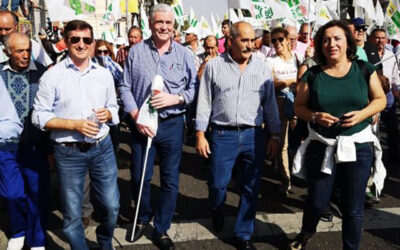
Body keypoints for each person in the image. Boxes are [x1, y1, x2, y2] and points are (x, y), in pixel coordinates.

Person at [289, 20, 386, 249]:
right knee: (316, 201)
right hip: (322, 146)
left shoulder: (363, 68)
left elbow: (380, 99)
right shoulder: (312, 74)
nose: (331, 43)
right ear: (320, 44)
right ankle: (306, 232)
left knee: (353, 207)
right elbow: (299, 107)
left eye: (337, 38)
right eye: (325, 39)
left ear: (347, 42)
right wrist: (314, 117)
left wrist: (362, 114)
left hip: (359, 146)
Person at [32, 20, 120, 250]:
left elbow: (115, 106)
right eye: (75, 39)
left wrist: (109, 112)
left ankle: (104, 242)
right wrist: (74, 125)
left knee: (112, 206)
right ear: (66, 41)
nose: (81, 44)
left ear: (92, 42)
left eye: (86, 40)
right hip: (68, 151)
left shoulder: (103, 74)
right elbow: (39, 117)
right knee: (72, 214)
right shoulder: (52, 76)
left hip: (102, 147)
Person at [196, 21, 280, 250]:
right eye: (244, 40)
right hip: (223, 135)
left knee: (251, 186)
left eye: (252, 40)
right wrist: (200, 134)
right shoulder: (214, 66)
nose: (249, 45)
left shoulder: (262, 67)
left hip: (254, 136)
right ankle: (216, 206)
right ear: (230, 41)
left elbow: (270, 104)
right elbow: (204, 101)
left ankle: (243, 234)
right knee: (217, 183)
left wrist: (275, 135)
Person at [119, 4, 197, 249]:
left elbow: (193, 89)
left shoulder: (184, 54)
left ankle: (161, 228)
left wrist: (177, 98)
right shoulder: (136, 52)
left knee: (170, 179)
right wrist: (135, 115)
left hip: (172, 124)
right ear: (150, 25)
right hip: (142, 125)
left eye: (168, 23)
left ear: (174, 26)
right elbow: (125, 87)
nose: (164, 27)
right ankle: (142, 218)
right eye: (159, 22)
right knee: (139, 176)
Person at [0, 32, 49, 250]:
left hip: (36, 145)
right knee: (12, 194)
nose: (25, 54)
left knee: (37, 194)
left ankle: (36, 239)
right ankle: (18, 230)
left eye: (28, 49)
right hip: (6, 146)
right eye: (20, 51)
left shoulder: (42, 74)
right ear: (6, 52)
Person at [266, 27, 303, 196]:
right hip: (280, 102)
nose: (277, 43)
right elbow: (271, 84)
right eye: (273, 40)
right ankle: (286, 179)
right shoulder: (271, 60)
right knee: (283, 144)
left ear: (288, 40)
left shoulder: (298, 58)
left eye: (280, 39)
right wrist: (290, 81)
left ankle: (301, 174)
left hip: (300, 101)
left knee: (303, 140)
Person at [371, 28, 400, 163]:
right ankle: (374, 159)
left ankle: (394, 155)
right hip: (372, 96)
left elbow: (395, 76)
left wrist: (396, 91)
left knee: (392, 127)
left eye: (383, 38)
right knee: (373, 128)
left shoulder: (390, 55)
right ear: (372, 39)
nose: (380, 41)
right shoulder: (368, 54)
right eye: (377, 38)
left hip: (388, 96)